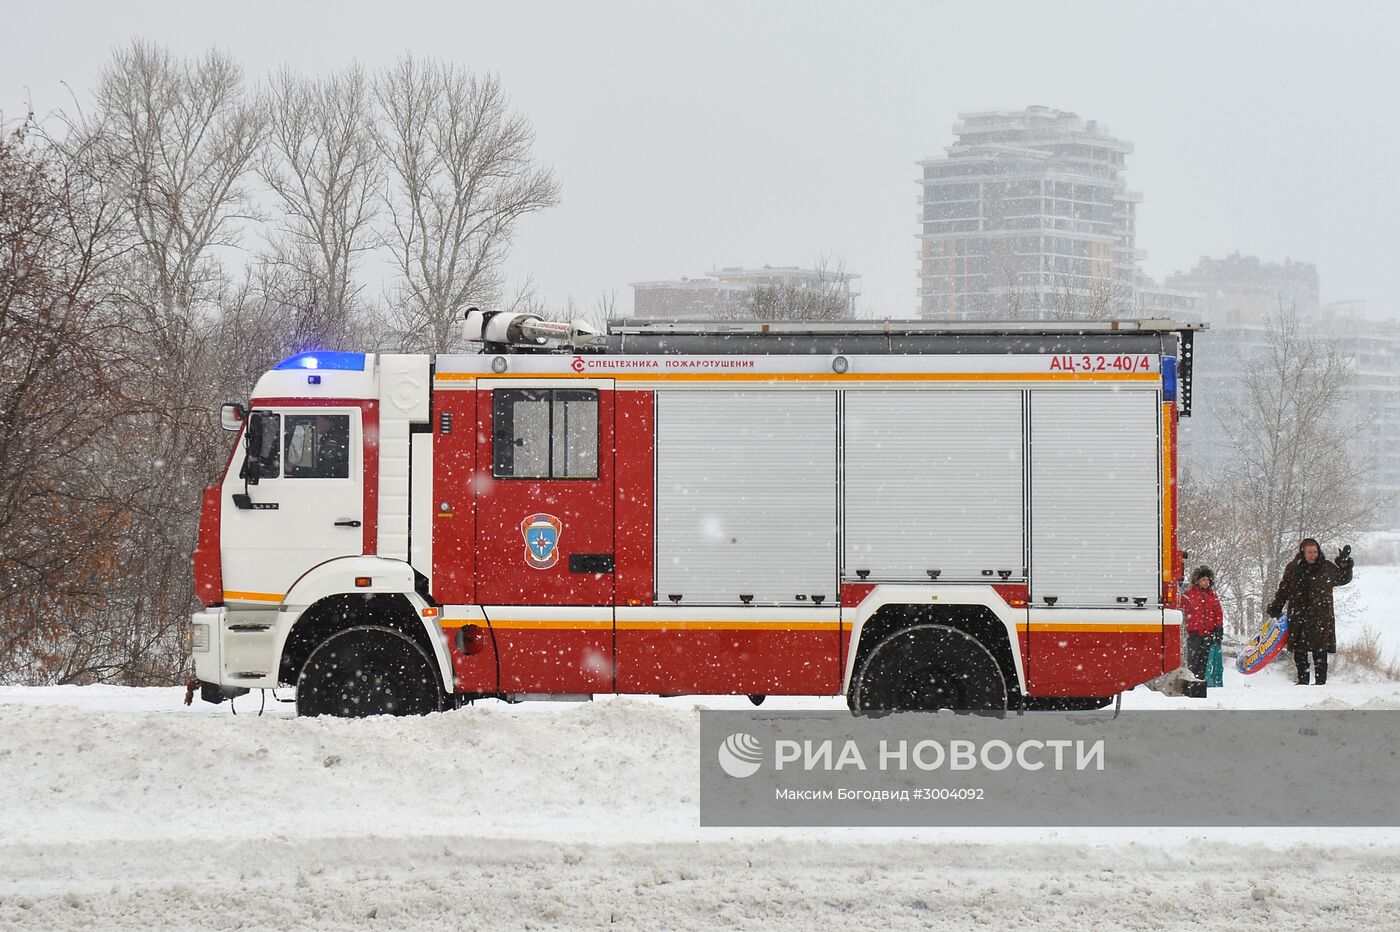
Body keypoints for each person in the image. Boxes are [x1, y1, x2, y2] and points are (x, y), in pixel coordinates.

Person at [1266, 538, 1353, 685]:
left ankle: (1320, 683)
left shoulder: (1326, 567)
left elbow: (1343, 578)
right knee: (1300, 652)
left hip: (1321, 616)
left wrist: (1344, 564)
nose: (1313, 555)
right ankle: (1302, 682)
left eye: (1315, 551)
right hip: (1299, 615)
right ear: (1303, 552)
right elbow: (1283, 590)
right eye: (1310, 552)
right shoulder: (1293, 568)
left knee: (1320, 652)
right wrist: (1276, 607)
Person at [1182, 565, 1224, 684]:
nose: (1206, 582)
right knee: (1193, 661)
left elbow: (1218, 613)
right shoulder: (1189, 594)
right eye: (1203, 579)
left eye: (1208, 580)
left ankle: (1202, 683)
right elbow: (1179, 605)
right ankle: (1192, 683)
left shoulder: (1212, 596)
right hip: (1194, 635)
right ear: (1198, 581)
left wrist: (1219, 627)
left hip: (1208, 634)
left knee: (1204, 662)